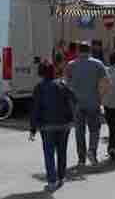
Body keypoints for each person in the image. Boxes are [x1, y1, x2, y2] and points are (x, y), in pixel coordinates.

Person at [29, 61, 76, 192]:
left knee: (49, 153)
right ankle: (61, 177)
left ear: (40, 72)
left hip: (47, 125)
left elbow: (35, 109)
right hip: (64, 124)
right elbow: (74, 98)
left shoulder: (39, 87)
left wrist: (33, 128)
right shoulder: (62, 84)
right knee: (62, 151)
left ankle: (51, 181)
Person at [65, 41, 107, 166]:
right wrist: (101, 97)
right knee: (94, 129)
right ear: (90, 51)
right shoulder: (98, 64)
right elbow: (106, 83)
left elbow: (67, 84)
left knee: (79, 131)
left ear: (78, 51)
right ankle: (92, 151)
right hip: (93, 101)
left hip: (77, 103)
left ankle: (81, 158)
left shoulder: (71, 65)